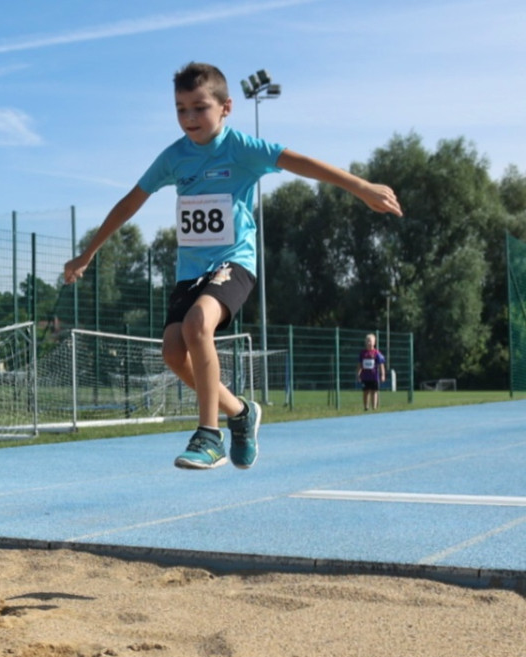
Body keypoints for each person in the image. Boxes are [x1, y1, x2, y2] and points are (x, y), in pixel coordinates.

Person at [63, 62, 402, 470]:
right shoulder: (174, 158)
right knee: (173, 352)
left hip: (234, 263)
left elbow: (301, 162)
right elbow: (131, 202)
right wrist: (89, 253)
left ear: (226, 108)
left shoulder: (241, 148)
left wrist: (360, 187)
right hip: (190, 272)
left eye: (199, 108)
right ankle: (241, 412)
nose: (189, 118)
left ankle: (209, 435)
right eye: (180, 109)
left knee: (195, 327)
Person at [358, 333, 386, 411]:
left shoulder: (377, 353)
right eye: (367, 341)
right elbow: (360, 365)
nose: (368, 343)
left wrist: (383, 375)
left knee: (374, 391)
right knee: (365, 392)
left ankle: (374, 407)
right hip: (365, 376)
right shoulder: (363, 353)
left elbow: (381, 365)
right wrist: (358, 374)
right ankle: (366, 407)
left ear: (374, 343)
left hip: (374, 376)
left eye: (370, 341)